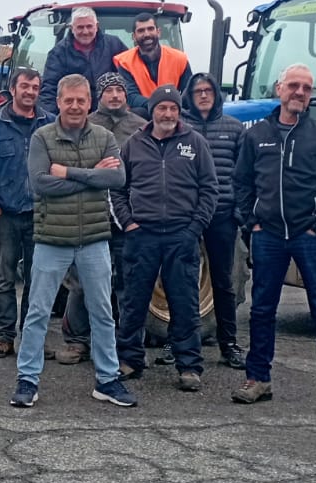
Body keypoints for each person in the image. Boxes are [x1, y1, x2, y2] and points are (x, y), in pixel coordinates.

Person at [232, 63, 316, 418]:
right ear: (279, 90)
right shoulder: (256, 136)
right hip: (268, 235)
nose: (300, 92)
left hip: (309, 237)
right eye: (294, 86)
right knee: (261, 310)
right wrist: (252, 220)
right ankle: (258, 378)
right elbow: (241, 183)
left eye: (306, 87)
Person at [9, 74, 134, 409]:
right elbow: (40, 185)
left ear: (89, 102)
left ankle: (107, 380)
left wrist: (70, 172)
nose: (75, 106)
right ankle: (27, 379)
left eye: (81, 100)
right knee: (37, 311)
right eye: (69, 100)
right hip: (53, 239)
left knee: (103, 312)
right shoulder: (42, 137)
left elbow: (118, 177)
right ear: (59, 102)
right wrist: (94, 175)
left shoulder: (105, 136)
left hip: (94, 239)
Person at [114, 85, 218, 389]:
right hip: (141, 235)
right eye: (163, 108)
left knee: (184, 303)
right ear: (153, 111)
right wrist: (128, 223)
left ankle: (189, 366)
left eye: (173, 108)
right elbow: (118, 188)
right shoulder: (133, 145)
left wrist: (194, 229)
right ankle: (130, 360)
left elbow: (210, 190)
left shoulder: (195, 143)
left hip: (181, 236)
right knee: (134, 302)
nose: (168, 114)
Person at [61, 72, 145, 363]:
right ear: (100, 96)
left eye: (119, 91)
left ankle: (125, 344)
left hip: (127, 214)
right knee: (82, 281)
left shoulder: (140, 127)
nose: (114, 96)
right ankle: (77, 341)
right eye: (109, 91)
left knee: (127, 281)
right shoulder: (86, 124)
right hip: (90, 212)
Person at [0, 68, 54, 358]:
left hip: (39, 214)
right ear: (13, 89)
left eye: (35, 87)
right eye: (25, 86)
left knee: (37, 280)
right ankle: (3, 337)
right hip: (5, 214)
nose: (30, 92)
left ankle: (32, 337)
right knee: (5, 277)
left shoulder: (50, 124)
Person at [182, 71, 247, 368]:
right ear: (190, 96)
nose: (204, 95)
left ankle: (229, 344)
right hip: (186, 217)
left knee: (223, 282)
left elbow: (244, 175)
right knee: (181, 282)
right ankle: (180, 342)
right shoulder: (180, 128)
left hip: (222, 216)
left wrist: (237, 212)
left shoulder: (234, 129)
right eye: (198, 92)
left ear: (216, 94)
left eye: (208, 90)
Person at [36, 6, 128, 115]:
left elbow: (129, 78)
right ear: (72, 28)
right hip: (75, 114)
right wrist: (51, 120)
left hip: (110, 113)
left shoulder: (114, 45)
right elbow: (49, 90)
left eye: (89, 26)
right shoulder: (58, 53)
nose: (85, 31)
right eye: (80, 27)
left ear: (97, 26)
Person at [113, 12, 191, 116]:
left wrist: (171, 106)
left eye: (150, 29)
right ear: (134, 36)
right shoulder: (124, 62)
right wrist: (156, 105)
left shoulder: (179, 58)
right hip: (143, 116)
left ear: (158, 32)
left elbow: (188, 91)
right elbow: (130, 95)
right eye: (141, 31)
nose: (147, 34)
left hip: (173, 113)